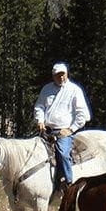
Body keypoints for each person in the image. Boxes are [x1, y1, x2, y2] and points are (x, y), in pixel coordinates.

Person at [32, 61, 91, 189]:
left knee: (63, 153)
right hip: (46, 130)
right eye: (58, 75)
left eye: (63, 74)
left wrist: (71, 129)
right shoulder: (46, 89)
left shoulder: (74, 90)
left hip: (63, 131)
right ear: (53, 76)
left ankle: (68, 183)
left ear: (67, 73)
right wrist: (40, 121)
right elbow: (39, 107)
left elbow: (83, 114)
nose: (61, 77)